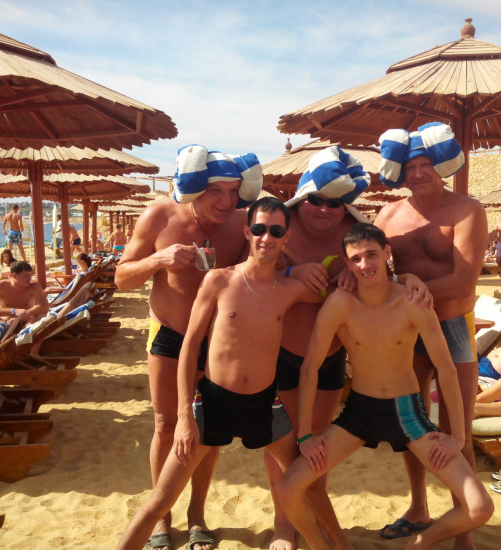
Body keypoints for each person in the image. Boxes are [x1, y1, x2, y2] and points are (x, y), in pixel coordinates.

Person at [117, 197, 348, 550]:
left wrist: (355, 275)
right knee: (158, 501)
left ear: (286, 238)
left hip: (265, 406)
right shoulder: (219, 281)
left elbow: (342, 294)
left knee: (310, 485)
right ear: (246, 232)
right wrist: (184, 417)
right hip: (212, 404)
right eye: (259, 229)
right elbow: (190, 348)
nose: (266, 237)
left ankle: (342, 546)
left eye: (276, 231)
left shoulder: (290, 289)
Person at [277, 223, 493, 550]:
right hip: (359, 413)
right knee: (287, 489)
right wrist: (305, 435)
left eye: (371, 255)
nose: (365, 264)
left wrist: (458, 437)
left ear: (387, 252)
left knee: (480, 507)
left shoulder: (412, 301)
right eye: (356, 259)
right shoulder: (340, 304)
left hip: (407, 413)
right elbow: (310, 369)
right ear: (347, 263)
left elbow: (447, 370)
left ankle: (417, 545)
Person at [114, 145, 263, 550]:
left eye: (232, 191)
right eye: (216, 190)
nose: (226, 200)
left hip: (215, 339)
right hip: (169, 332)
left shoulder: (241, 223)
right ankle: (161, 518)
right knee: (167, 424)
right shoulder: (160, 216)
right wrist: (159, 260)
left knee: (207, 429)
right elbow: (122, 278)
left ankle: (197, 513)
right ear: (196, 186)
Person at [374, 122, 487, 546]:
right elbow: (373, 269)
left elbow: (463, 281)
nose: (418, 173)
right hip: (406, 330)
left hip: (453, 324)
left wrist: (408, 291)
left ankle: (464, 525)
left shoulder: (467, 209)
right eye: (410, 167)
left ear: (439, 165)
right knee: (413, 423)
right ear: (400, 172)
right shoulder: (388, 215)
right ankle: (419, 507)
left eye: (425, 165)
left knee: (458, 426)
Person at [264, 145, 371, 550]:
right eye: (316, 200)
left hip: (329, 356)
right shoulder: (280, 224)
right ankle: (283, 525)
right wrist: (291, 270)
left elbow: (382, 272)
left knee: (318, 445)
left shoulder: (355, 233)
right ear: (302, 197)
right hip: (283, 351)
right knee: (283, 447)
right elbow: (248, 273)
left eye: (335, 202)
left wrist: (357, 279)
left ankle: (315, 517)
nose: (324, 209)